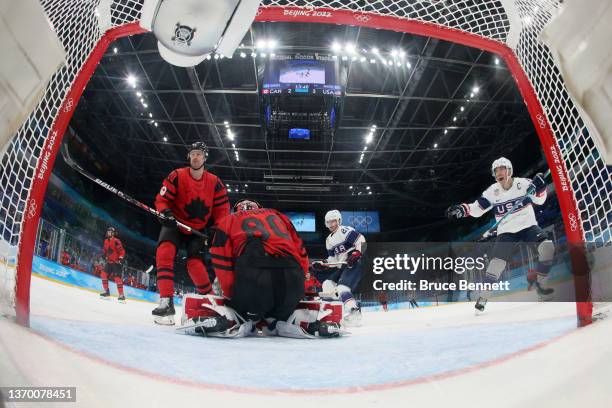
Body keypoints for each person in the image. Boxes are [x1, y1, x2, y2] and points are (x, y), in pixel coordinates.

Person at [185, 199, 340, 338]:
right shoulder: (278, 215)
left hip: (253, 282)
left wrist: (233, 296)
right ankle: (296, 320)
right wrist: (301, 282)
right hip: (293, 281)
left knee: (244, 311)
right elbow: (301, 251)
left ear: (237, 209)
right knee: (281, 312)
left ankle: (234, 319)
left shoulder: (228, 220)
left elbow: (221, 261)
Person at [446, 157, 554, 313]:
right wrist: (463, 210)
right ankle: (483, 297)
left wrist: (541, 189)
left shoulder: (524, 184)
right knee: (496, 264)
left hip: (527, 225)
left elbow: (540, 200)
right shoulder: (492, 191)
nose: (498, 173)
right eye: (495, 170)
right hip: (506, 231)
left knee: (547, 248)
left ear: (509, 170)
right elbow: (477, 208)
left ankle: (542, 286)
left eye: (501, 169)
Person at [152, 141, 230, 324]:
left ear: (204, 158)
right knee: (165, 252)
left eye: (199, 154)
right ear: (189, 156)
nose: (195, 157)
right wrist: (165, 213)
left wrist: (215, 229)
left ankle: (211, 301)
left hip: (197, 229)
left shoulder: (215, 182)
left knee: (195, 263)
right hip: (175, 224)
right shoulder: (176, 175)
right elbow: (161, 200)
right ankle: (166, 302)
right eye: (193, 153)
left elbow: (222, 210)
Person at [311, 209, 366, 326]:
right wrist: (323, 263)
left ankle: (354, 314)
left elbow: (362, 241)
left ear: (339, 221)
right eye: (328, 222)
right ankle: (333, 313)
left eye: (333, 221)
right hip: (343, 266)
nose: (331, 224)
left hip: (354, 263)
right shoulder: (329, 240)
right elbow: (333, 260)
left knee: (342, 288)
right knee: (327, 284)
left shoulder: (345, 230)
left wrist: (356, 254)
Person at [99, 226, 126, 302]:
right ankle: (106, 292)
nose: (108, 233)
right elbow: (105, 250)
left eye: (109, 232)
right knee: (103, 274)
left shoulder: (116, 241)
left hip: (116, 263)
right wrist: (104, 254)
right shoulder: (105, 241)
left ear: (113, 233)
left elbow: (122, 251)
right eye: (107, 232)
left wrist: (121, 258)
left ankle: (121, 295)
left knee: (117, 278)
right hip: (109, 262)